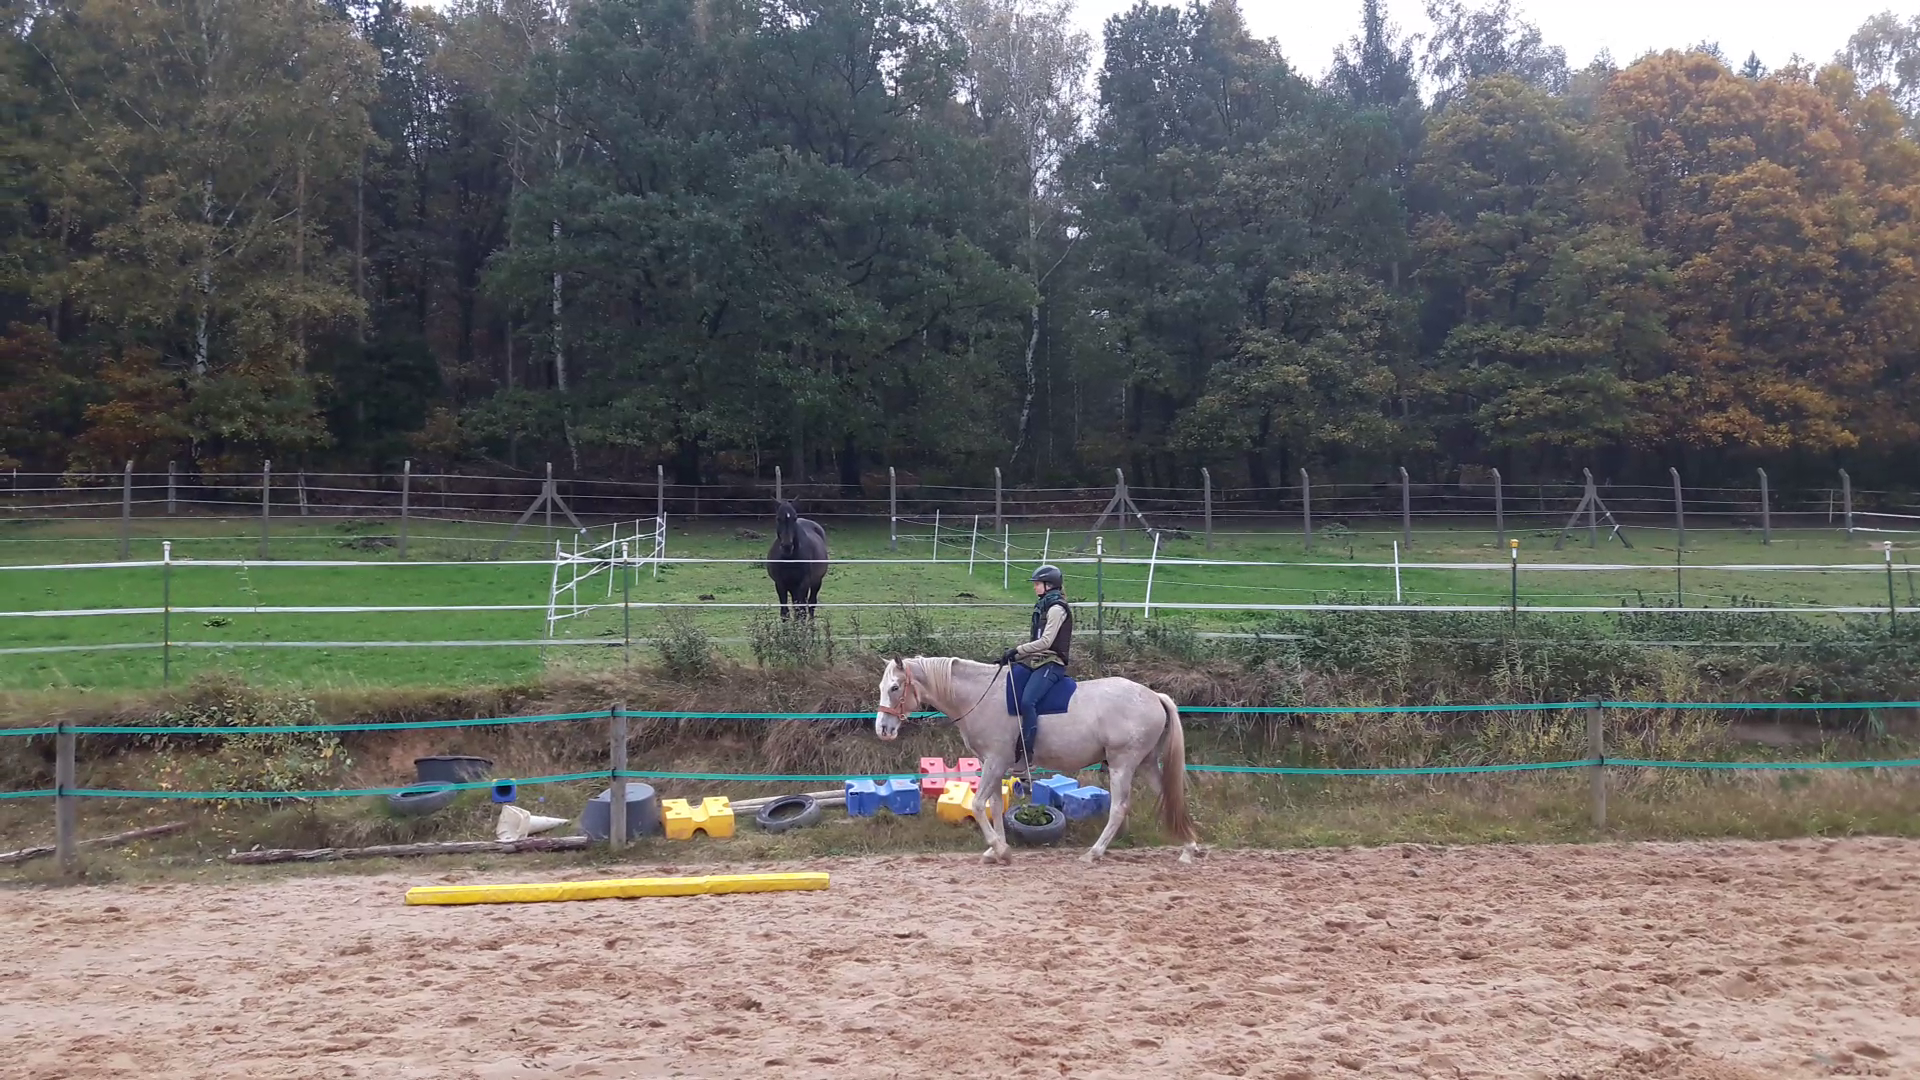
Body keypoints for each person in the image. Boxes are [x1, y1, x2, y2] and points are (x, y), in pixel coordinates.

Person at [999, 564, 1072, 765]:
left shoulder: (1057, 609)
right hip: (1038, 661)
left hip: (1052, 663)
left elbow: (1046, 642)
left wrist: (1017, 650)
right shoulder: (1044, 606)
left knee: (1028, 701)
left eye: (1037, 583)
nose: (1034, 587)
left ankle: (1026, 749)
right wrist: (1012, 658)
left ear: (1049, 585)